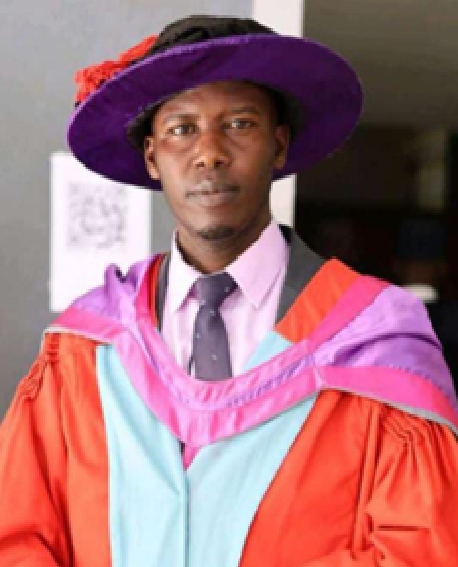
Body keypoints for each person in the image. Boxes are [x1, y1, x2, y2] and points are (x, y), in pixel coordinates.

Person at [0, 15, 457, 567]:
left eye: (240, 123)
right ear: (152, 157)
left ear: (279, 146)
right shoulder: (83, 351)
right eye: (181, 129)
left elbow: (420, 549)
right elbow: (18, 537)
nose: (209, 152)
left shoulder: (377, 343)